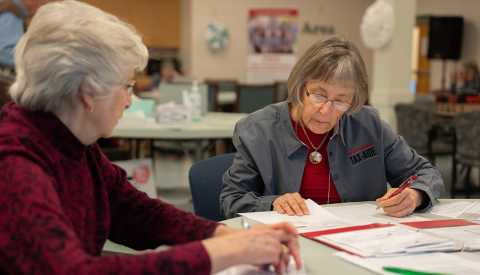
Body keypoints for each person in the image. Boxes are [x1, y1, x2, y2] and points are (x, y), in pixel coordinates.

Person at [0, 1, 302, 274]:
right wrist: (216, 252)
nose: (130, 100)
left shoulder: (71, 141)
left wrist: (225, 235)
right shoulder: (16, 164)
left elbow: (135, 211)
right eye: (127, 86)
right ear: (87, 93)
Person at [220, 37, 444, 219]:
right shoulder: (257, 130)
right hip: (289, 245)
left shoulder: (369, 125)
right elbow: (231, 200)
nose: (326, 110)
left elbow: (425, 173)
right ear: (301, 86)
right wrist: (273, 203)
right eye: (319, 95)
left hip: (361, 243)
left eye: (340, 100)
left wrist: (415, 195)